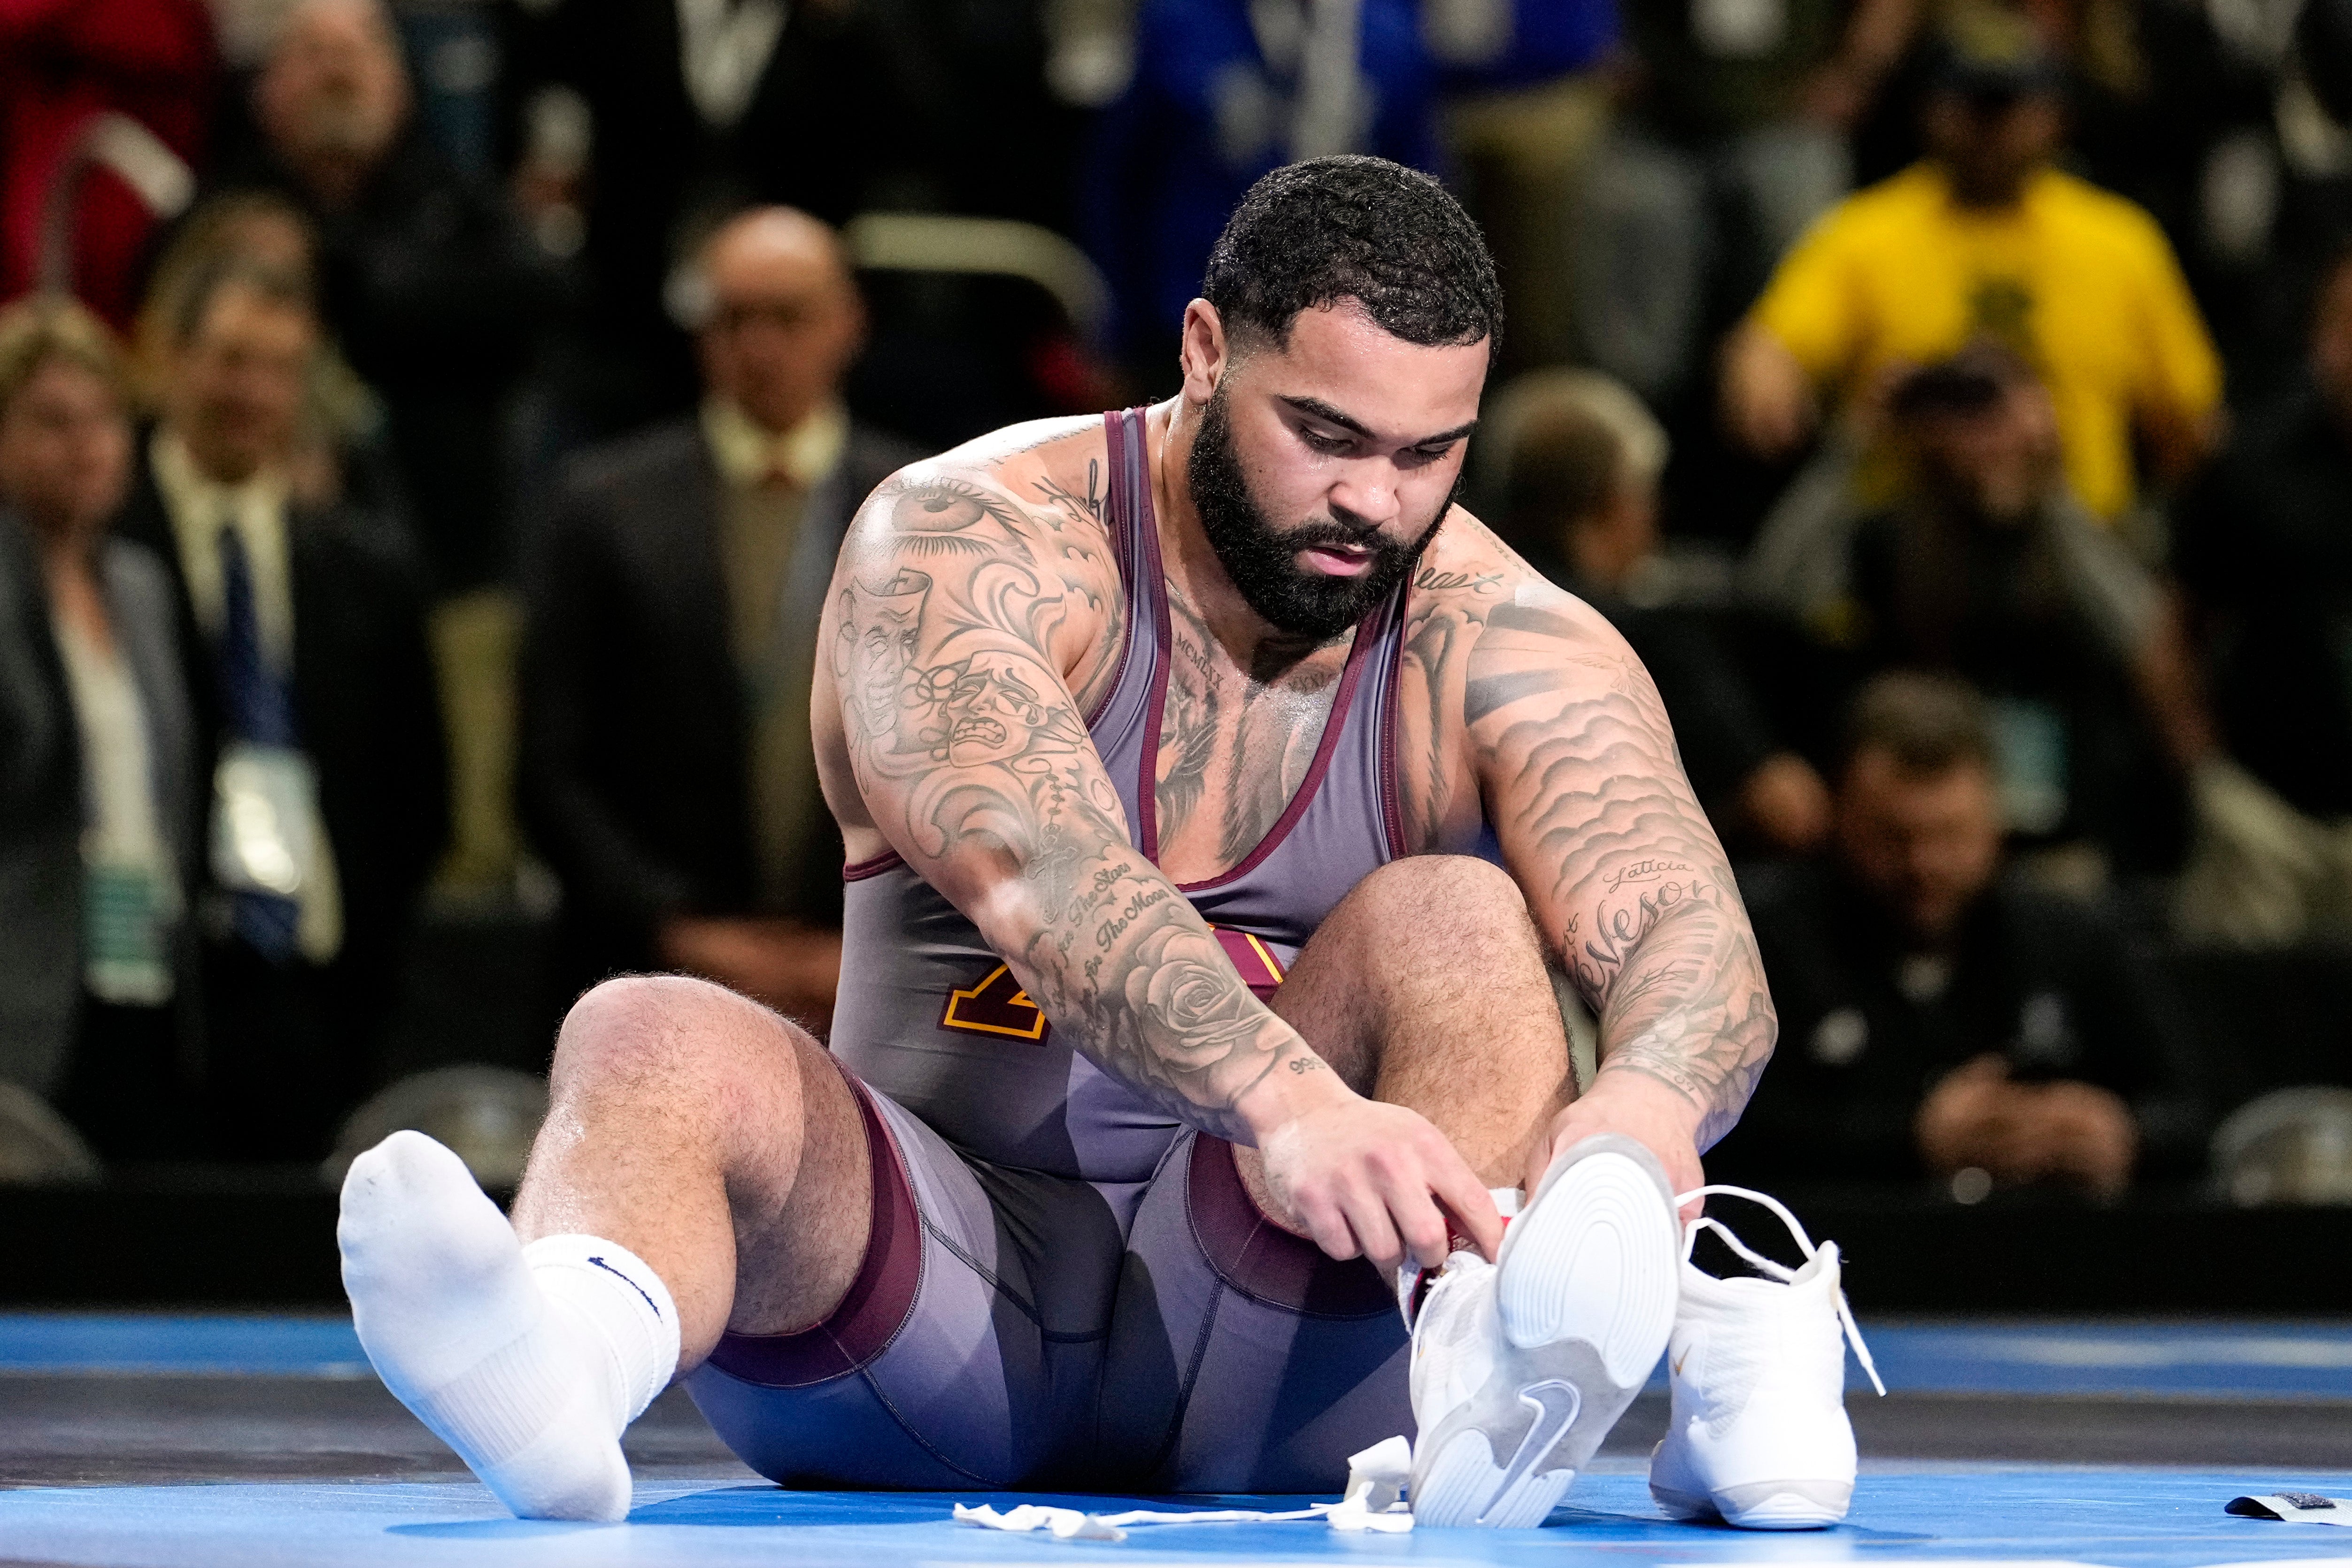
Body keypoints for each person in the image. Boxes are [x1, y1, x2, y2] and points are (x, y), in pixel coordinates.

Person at [340, 157, 1867, 1536]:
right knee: (646, 1031)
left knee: (1460, 923)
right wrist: (1285, 1097)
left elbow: (1681, 922)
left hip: (1288, 1346)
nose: (1370, 502)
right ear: (1202, 353)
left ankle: (1515, 1360)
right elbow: (1039, 870)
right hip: (930, 1296)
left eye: (1425, 454)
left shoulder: (1502, 633)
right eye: (1323, 433)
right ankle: (560, 1353)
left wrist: (1640, 1116)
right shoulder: (965, 541)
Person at [520, 208, 921, 1027]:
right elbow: (550, 766)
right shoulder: (602, 507)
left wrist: (873, 941)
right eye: (735, 318)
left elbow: (972, 756)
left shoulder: (926, 507)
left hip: (860, 975)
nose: (761, 346)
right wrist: (678, 927)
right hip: (651, 971)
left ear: (848, 324)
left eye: (789, 317)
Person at [115, 253, 445, 1161]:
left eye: (279, 368)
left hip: (318, 996)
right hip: (150, 990)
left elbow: (418, 797)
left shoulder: (367, 568)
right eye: (228, 359)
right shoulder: (102, 549)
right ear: (167, 358)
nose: (250, 392)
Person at [1720, 7, 2222, 526]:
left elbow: (2193, 423)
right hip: (1900, 539)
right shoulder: (1864, 233)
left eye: (2007, 104)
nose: (1990, 128)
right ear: (1929, 107)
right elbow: (1769, 345)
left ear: (2055, 111)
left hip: (2069, 545)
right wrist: (1766, 371)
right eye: (1972, 104)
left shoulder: (2120, 242)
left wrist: (2032, 444)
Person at [1715, 671, 2204, 1195]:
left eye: (1949, 835)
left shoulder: (2072, 937)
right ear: (1841, 816)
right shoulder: (1764, 936)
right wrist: (1909, 1142)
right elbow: (1714, 1132)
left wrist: (2123, 1136)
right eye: (1892, 836)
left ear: (1994, 821)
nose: (1922, 863)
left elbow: (2200, 1114)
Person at [208, 0, 554, 591]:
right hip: (265, 568)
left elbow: (541, 301)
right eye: (314, 55)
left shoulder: (457, 204)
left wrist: (363, 290)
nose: (337, 75)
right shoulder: (224, 216)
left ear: (400, 82)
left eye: (359, 52)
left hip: (452, 554)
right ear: (265, 89)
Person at [0, 297, 199, 1161]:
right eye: (53, 422)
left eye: (106, 418)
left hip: (139, 959)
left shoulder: (140, 585)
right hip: (22, 979)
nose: (87, 444)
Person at [1485, 369, 1830, 854]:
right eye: (1646, 495)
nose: (1655, 517)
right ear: (1612, 502)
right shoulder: (1643, 643)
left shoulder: (1471, 615)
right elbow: (1789, 812)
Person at [2174, 244, 2352, 941]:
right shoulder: (2246, 467)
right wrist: (2210, 780)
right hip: (2264, 823)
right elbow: (2171, 638)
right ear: (2318, 338)